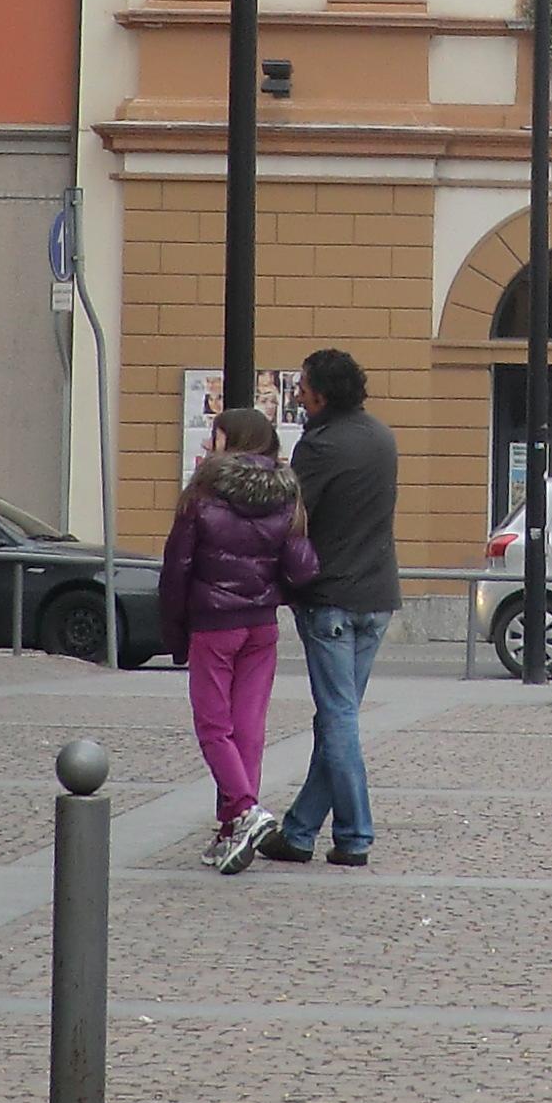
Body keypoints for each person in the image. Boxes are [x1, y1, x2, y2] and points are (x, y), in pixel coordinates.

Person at [160, 406, 318, 874]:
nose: (208, 444)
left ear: (235, 442)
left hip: (214, 624)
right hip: (261, 625)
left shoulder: (202, 494)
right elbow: (301, 567)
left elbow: (177, 569)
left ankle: (246, 812)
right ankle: (231, 831)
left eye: (216, 437)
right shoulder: (287, 494)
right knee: (248, 729)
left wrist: (175, 631)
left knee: (214, 727)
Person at [261, 348, 397, 868]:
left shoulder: (319, 446)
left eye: (302, 387)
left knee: (338, 717)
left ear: (321, 395)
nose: (297, 395)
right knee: (339, 717)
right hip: (376, 596)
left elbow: (293, 515)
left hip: (330, 599)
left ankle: (356, 834)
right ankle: (299, 833)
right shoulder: (382, 437)